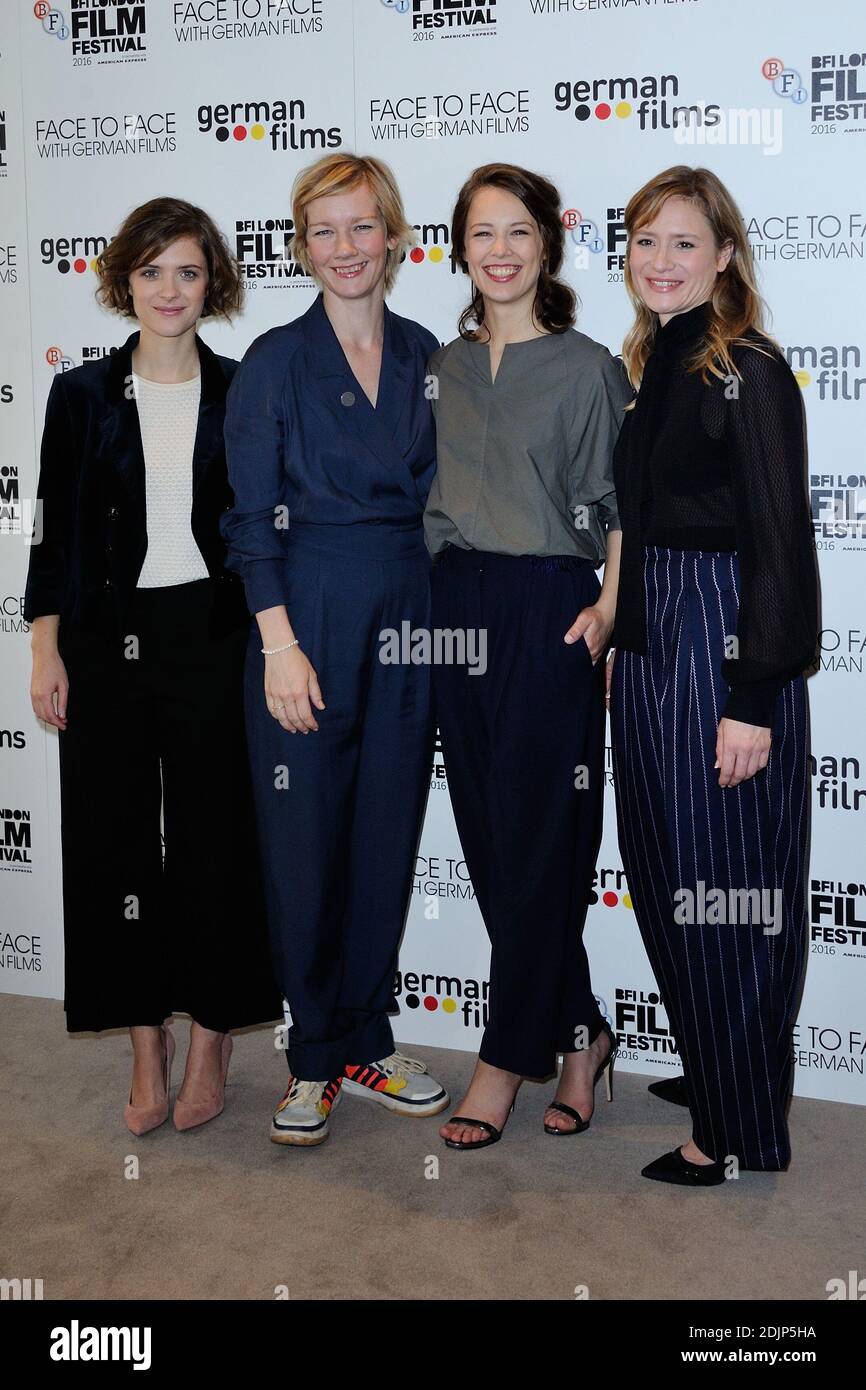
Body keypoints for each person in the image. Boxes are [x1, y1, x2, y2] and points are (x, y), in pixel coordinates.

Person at [25, 197, 282, 1136]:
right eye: (150, 271)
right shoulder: (80, 395)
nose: (169, 290)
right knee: (114, 844)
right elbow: (50, 529)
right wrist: (45, 646)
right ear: (123, 282)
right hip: (105, 639)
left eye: (187, 271)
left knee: (219, 840)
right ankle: (147, 1044)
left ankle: (212, 1037)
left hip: (215, 634)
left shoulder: (243, 389)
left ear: (212, 283)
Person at [221, 153, 448, 1147]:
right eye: (324, 229)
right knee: (304, 843)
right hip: (304, 614)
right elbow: (247, 520)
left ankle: (364, 1039)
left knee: (384, 835)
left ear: (393, 237)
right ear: (301, 245)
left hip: (407, 612)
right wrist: (278, 644)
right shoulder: (275, 360)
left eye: (362, 226)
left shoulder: (425, 353)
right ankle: (312, 1053)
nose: (345, 247)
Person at [607, 165, 819, 1185]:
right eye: (645, 241)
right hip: (657, 643)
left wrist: (750, 699)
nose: (660, 260)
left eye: (683, 242)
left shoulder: (749, 369)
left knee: (721, 889)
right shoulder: (658, 360)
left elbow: (779, 545)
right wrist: (624, 637)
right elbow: (645, 525)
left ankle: (733, 1132)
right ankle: (726, 1070)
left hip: (720, 646)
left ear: (724, 255)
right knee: (665, 872)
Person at [424, 164, 630, 1150]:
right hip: (454, 607)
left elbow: (618, 503)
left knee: (545, 839)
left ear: (547, 243)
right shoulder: (443, 367)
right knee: (496, 846)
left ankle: (504, 1057)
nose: (499, 251)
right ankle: (581, 1033)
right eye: (481, 233)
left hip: (550, 606)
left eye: (517, 231)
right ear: (459, 248)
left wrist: (609, 608)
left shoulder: (589, 367)